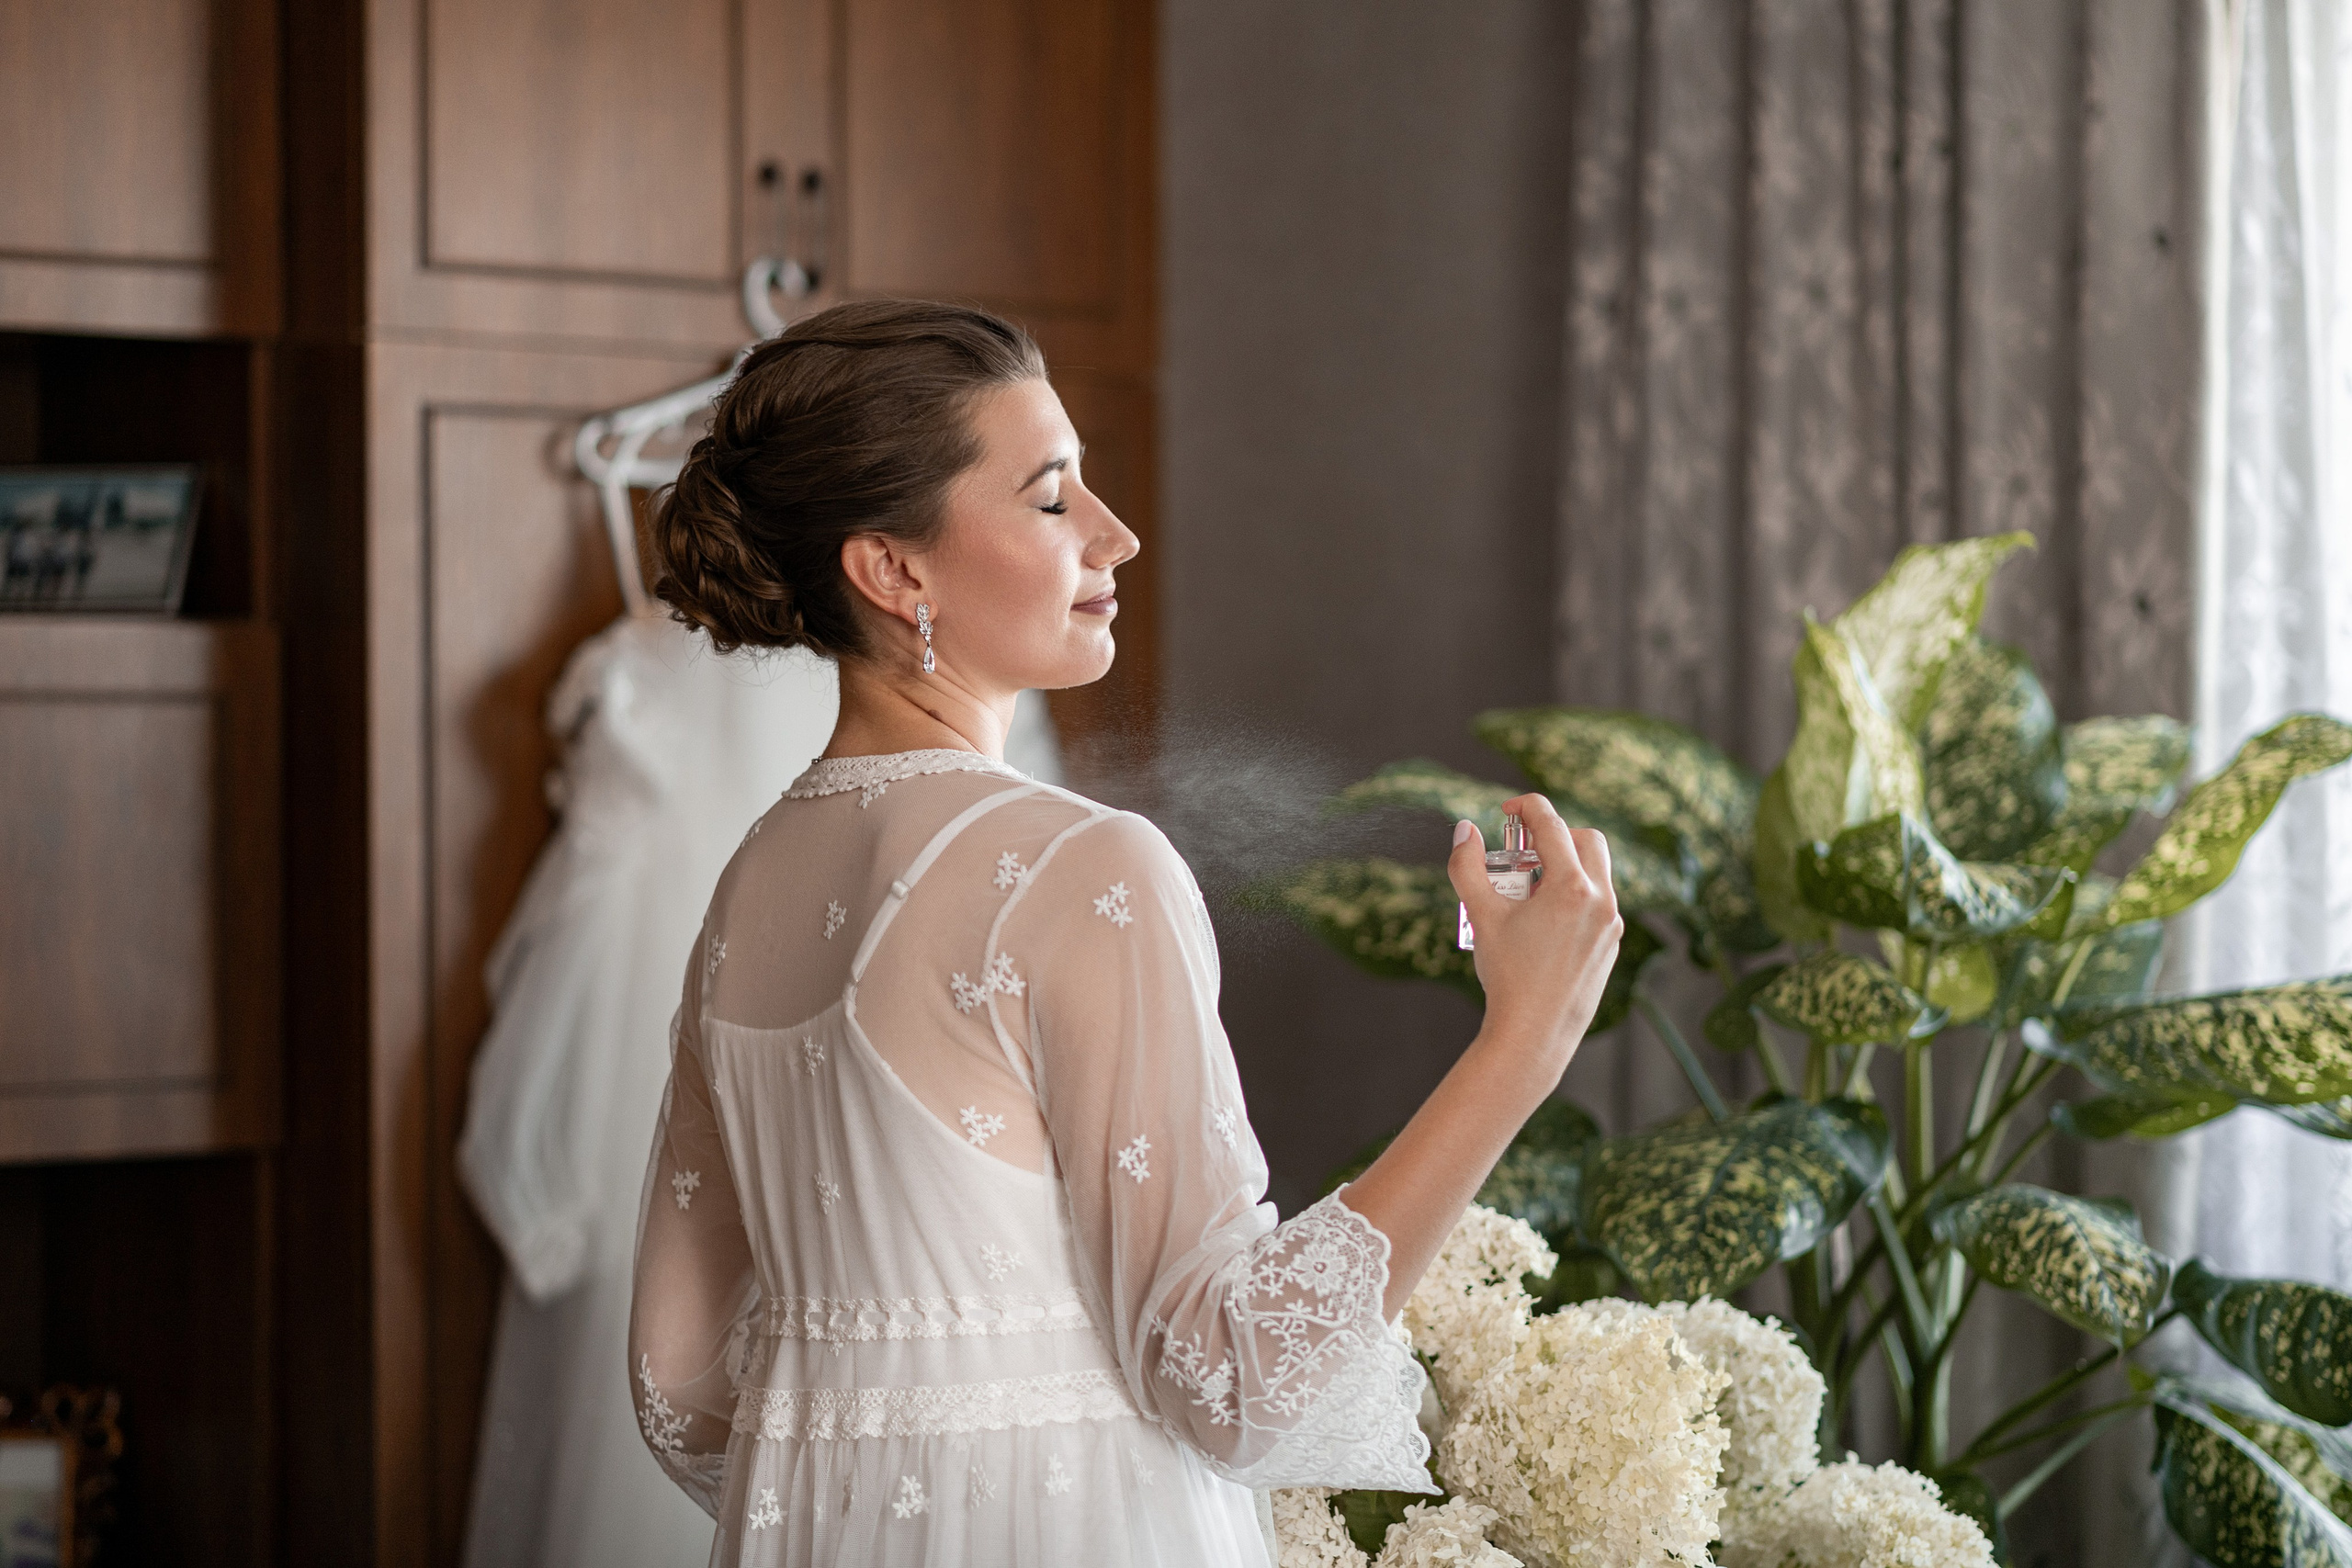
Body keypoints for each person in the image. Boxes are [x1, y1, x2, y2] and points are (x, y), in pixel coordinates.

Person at [627, 299, 1623, 1566]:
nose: (1117, 534)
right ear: (894, 570)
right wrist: (1526, 1042)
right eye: (1052, 499)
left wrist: (869, 1474)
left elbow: (676, 1385)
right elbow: (1232, 1385)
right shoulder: (1084, 867)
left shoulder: (751, 879)